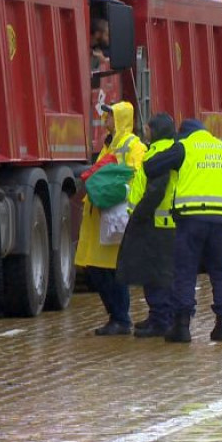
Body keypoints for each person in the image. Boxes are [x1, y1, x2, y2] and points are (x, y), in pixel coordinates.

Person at [144, 119, 222, 342]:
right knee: (220, 273)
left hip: (192, 220)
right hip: (221, 219)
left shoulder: (184, 147)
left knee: (184, 272)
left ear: (184, 134)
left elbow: (151, 167)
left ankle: (182, 326)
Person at [75, 102, 147, 335]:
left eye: (110, 115)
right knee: (98, 270)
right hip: (102, 215)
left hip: (114, 215)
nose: (105, 119)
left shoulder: (133, 145)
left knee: (114, 270)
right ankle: (116, 316)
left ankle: (121, 318)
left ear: (120, 119)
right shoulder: (110, 144)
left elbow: (136, 176)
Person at [116, 113, 178, 338]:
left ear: (156, 130)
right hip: (160, 221)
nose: (145, 131)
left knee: (157, 274)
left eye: (148, 128)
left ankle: (161, 320)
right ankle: (157, 316)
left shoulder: (161, 152)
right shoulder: (166, 149)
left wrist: (139, 214)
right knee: (155, 273)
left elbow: (156, 191)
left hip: (158, 222)